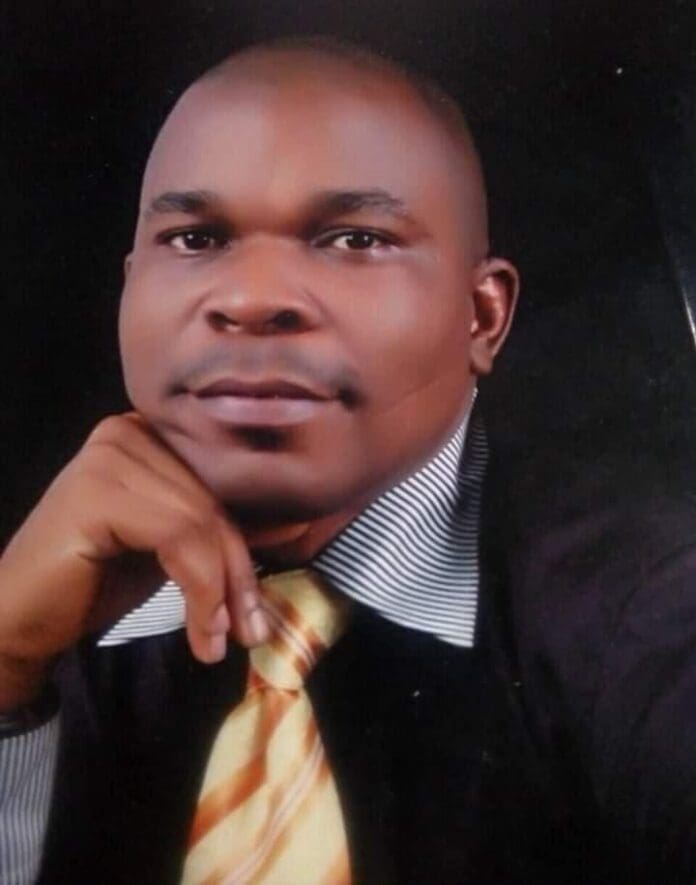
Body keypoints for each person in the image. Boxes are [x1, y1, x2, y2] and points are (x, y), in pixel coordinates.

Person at [0, 38, 531, 883]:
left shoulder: (626, 602)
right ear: (128, 284)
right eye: (195, 237)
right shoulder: (35, 592)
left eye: (355, 239)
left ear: (482, 314)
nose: (249, 299)